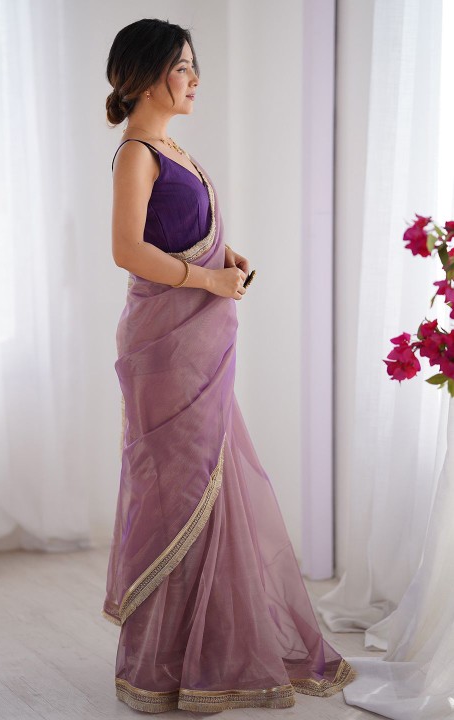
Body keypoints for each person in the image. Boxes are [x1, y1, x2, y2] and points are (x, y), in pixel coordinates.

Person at [102, 17, 357, 714]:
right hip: (165, 348)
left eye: (194, 65)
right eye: (183, 66)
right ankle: (164, 665)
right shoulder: (136, 154)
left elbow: (177, 232)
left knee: (211, 484)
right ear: (147, 74)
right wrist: (207, 278)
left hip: (198, 342)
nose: (195, 79)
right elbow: (127, 249)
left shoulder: (173, 147)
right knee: (178, 489)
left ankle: (209, 650)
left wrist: (226, 256)